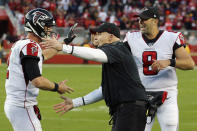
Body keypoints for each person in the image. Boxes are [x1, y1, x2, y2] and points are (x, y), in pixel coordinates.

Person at [51, 7, 195, 131]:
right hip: (140, 94)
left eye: (144, 19)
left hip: (166, 92)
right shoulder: (131, 38)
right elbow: (112, 54)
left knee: (170, 124)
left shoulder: (172, 37)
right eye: (139, 19)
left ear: (155, 21)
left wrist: (169, 62)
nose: (140, 22)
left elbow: (190, 64)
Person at [43, 22, 148, 131]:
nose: (95, 37)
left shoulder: (117, 48)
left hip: (130, 108)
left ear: (111, 37)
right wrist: (76, 102)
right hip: (127, 108)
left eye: (99, 34)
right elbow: (104, 90)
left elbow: (95, 54)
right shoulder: (116, 50)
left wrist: (63, 47)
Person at [4, 8, 74, 131]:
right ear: (37, 25)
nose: (49, 30)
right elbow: (37, 81)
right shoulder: (30, 46)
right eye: (47, 26)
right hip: (21, 105)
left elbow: (43, 56)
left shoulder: (23, 44)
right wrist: (58, 87)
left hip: (17, 104)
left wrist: (63, 44)